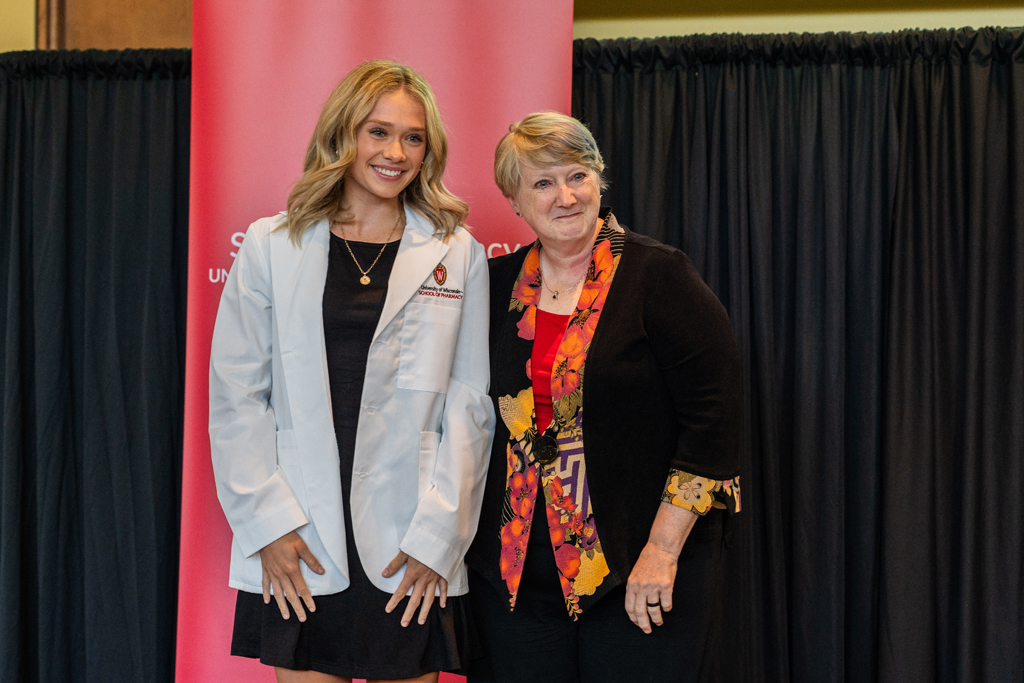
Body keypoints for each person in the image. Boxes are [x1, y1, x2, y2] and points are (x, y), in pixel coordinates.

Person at [209, 60, 495, 683]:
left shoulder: (457, 251)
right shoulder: (270, 244)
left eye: (413, 137)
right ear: (342, 135)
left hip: (409, 545)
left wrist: (440, 537)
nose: (396, 152)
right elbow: (237, 398)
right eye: (378, 132)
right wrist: (268, 527)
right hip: (300, 535)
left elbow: (470, 406)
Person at [464, 112, 742, 683]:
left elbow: (715, 423)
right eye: (542, 183)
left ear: (599, 181)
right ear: (514, 200)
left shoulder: (659, 275)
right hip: (515, 579)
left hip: (637, 569)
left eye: (577, 176)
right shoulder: (491, 287)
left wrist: (662, 552)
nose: (564, 195)